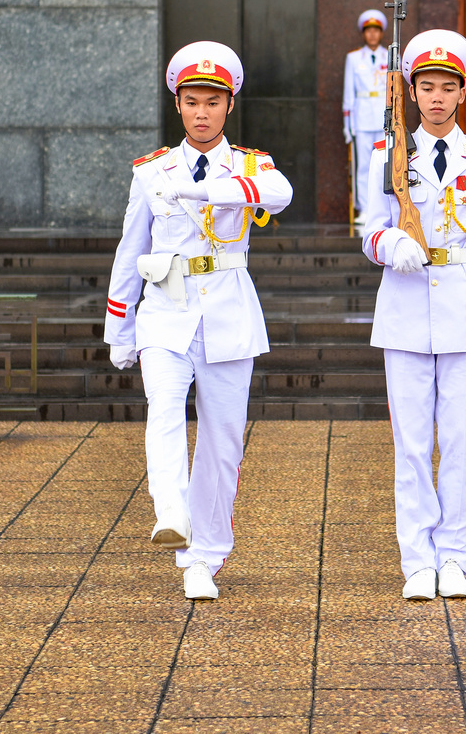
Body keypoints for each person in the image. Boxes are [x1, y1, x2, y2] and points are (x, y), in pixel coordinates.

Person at [104, 41, 293, 600]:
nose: (202, 111)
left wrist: (201, 188)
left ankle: (204, 559)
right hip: (166, 312)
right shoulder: (150, 174)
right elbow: (127, 252)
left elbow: (279, 195)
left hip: (229, 316)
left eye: (213, 100)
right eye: (192, 100)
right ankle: (171, 515)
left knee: (222, 443)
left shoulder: (252, 167)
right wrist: (118, 330)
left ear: (229, 105)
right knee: (163, 409)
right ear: (178, 106)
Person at [360, 29, 466, 601]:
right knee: (410, 444)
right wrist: (389, 245)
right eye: (426, 87)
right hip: (404, 309)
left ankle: (455, 556)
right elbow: (370, 229)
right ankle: (416, 560)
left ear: (462, 93)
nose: (437, 98)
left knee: (461, 441)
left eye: (448, 88)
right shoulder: (388, 155)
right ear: (412, 91)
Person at [342, 9, 391, 230]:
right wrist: (347, 125)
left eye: (376, 31)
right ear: (364, 33)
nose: (372, 35)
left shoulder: (389, 56)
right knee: (363, 166)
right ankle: (363, 208)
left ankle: (382, 209)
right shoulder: (353, 58)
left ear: (381, 33)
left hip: (382, 118)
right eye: (369, 31)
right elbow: (348, 94)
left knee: (384, 165)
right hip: (361, 119)